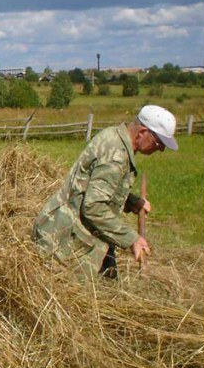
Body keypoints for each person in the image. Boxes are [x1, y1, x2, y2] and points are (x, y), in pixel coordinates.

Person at [32, 104, 177, 279]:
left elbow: (100, 187)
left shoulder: (114, 136)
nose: (160, 149)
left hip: (71, 230)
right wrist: (132, 238)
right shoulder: (116, 156)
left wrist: (132, 202)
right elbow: (93, 207)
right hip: (64, 240)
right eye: (158, 142)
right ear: (142, 133)